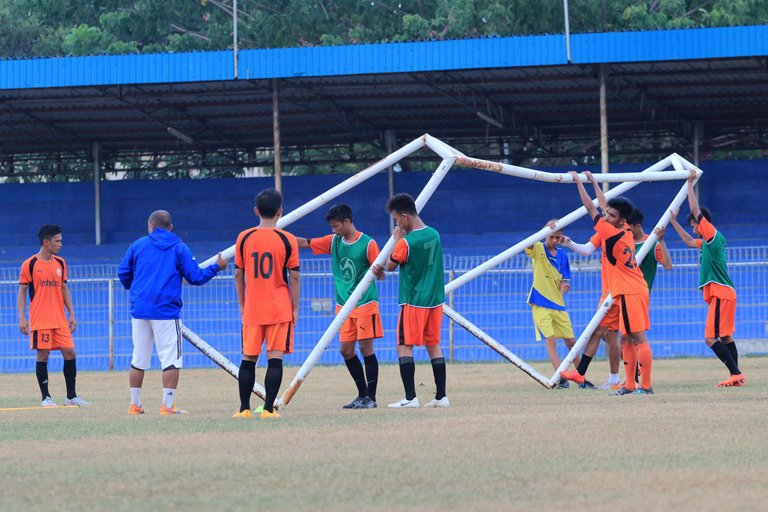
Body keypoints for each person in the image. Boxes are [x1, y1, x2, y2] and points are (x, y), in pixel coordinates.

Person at [118, 210, 228, 415]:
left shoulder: (138, 245)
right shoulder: (179, 247)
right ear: (171, 227)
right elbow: (195, 277)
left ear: (150, 226)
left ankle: (135, 405)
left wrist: (136, 289)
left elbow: (123, 273)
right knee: (170, 358)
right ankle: (167, 406)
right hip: (166, 311)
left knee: (139, 358)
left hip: (140, 310)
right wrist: (216, 268)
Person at [561, 171, 654, 395]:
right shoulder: (624, 229)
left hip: (631, 291)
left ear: (621, 220)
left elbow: (590, 208)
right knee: (623, 337)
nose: (606, 217)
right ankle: (629, 385)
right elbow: (605, 207)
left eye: (610, 216)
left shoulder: (610, 232)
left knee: (637, 337)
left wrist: (578, 183)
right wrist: (593, 182)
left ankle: (646, 386)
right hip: (625, 291)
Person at [296, 204, 382, 409]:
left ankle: (371, 397)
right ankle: (361, 395)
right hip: (344, 307)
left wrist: (379, 271)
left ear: (347, 221)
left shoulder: (368, 244)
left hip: (365, 303)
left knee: (365, 348)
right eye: (331, 227)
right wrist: (280, 238)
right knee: (345, 350)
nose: (333, 230)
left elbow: (381, 274)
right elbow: (307, 243)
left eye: (335, 226)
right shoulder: (334, 241)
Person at [669, 170, 744, 387]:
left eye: (694, 225)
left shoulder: (711, 233)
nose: (693, 228)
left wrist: (689, 183)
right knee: (726, 337)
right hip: (725, 293)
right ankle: (736, 375)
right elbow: (690, 243)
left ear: (703, 222)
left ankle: (735, 373)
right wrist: (674, 223)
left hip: (721, 292)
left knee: (710, 338)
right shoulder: (708, 242)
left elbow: (695, 209)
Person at [372, 193, 448, 408]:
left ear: (405, 217)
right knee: (433, 345)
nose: (397, 223)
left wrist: (397, 240)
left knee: (404, 345)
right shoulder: (434, 234)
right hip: (435, 300)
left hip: (414, 300)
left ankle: (410, 397)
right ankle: (441, 396)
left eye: (397, 219)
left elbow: (390, 266)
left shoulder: (406, 242)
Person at [233, 189, 300, 419]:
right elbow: (295, 276)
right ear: (280, 212)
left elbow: (238, 274)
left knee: (248, 358)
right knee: (275, 358)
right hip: (279, 308)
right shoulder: (287, 239)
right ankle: (269, 409)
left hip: (253, 309)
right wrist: (295, 308)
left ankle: (243, 409)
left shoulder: (244, 237)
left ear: (256, 211)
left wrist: (243, 304)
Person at [18, 224, 89, 407]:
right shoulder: (30, 264)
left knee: (70, 352)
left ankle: (71, 397)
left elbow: (64, 288)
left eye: (60, 241)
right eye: (57, 241)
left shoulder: (60, 263)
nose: (60, 244)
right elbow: (22, 291)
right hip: (41, 319)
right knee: (43, 356)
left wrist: (72, 314)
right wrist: (22, 317)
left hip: (60, 319)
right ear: (46, 242)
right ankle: (46, 398)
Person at [560, 230, 622, 390]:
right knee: (611, 334)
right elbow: (587, 249)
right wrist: (568, 242)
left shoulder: (624, 232)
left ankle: (580, 373)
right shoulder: (604, 231)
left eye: (609, 213)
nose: (606, 215)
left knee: (598, 332)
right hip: (610, 292)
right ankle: (618, 377)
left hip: (614, 292)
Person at [525, 222, 583, 388]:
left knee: (572, 342)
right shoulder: (538, 248)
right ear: (546, 236)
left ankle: (581, 378)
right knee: (550, 340)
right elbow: (527, 244)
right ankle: (561, 379)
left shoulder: (563, 256)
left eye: (558, 237)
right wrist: (544, 228)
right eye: (552, 237)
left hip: (558, 304)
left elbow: (564, 280)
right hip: (540, 302)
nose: (555, 240)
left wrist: (564, 286)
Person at [626, 208, 672, 293]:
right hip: (620, 294)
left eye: (628, 229)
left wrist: (661, 241)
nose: (625, 231)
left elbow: (668, 265)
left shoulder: (653, 244)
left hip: (639, 296)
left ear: (638, 226)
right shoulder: (622, 242)